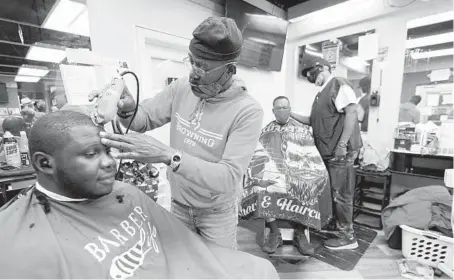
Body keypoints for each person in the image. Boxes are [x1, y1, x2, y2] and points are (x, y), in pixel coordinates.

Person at [0, 110, 278, 279]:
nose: (109, 162)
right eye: (91, 154)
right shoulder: (20, 244)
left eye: (107, 149)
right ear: (44, 163)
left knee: (259, 270)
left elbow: (186, 248)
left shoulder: (124, 193)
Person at [93, 17, 263, 250]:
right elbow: (144, 120)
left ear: (229, 70)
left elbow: (228, 177)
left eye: (203, 66)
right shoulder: (181, 87)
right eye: (192, 62)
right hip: (179, 205)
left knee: (218, 271)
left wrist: (168, 155)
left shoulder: (247, 111)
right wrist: (129, 108)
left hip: (217, 214)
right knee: (182, 265)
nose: (194, 73)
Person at [242, 96, 331, 255]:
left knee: (307, 186)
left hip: (298, 172)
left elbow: (310, 154)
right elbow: (259, 155)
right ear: (273, 111)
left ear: (290, 109)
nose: (282, 111)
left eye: (285, 107)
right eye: (278, 108)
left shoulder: (301, 130)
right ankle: (275, 233)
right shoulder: (266, 130)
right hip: (275, 172)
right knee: (262, 186)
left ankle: (300, 233)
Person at [290, 60, 362, 250]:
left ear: (322, 69)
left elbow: (352, 112)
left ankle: (347, 237)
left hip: (339, 151)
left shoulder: (338, 84)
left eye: (311, 74)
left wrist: (342, 144)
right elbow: (312, 121)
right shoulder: (320, 95)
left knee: (341, 194)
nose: (310, 79)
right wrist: (289, 114)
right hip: (328, 151)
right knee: (332, 192)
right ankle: (336, 226)